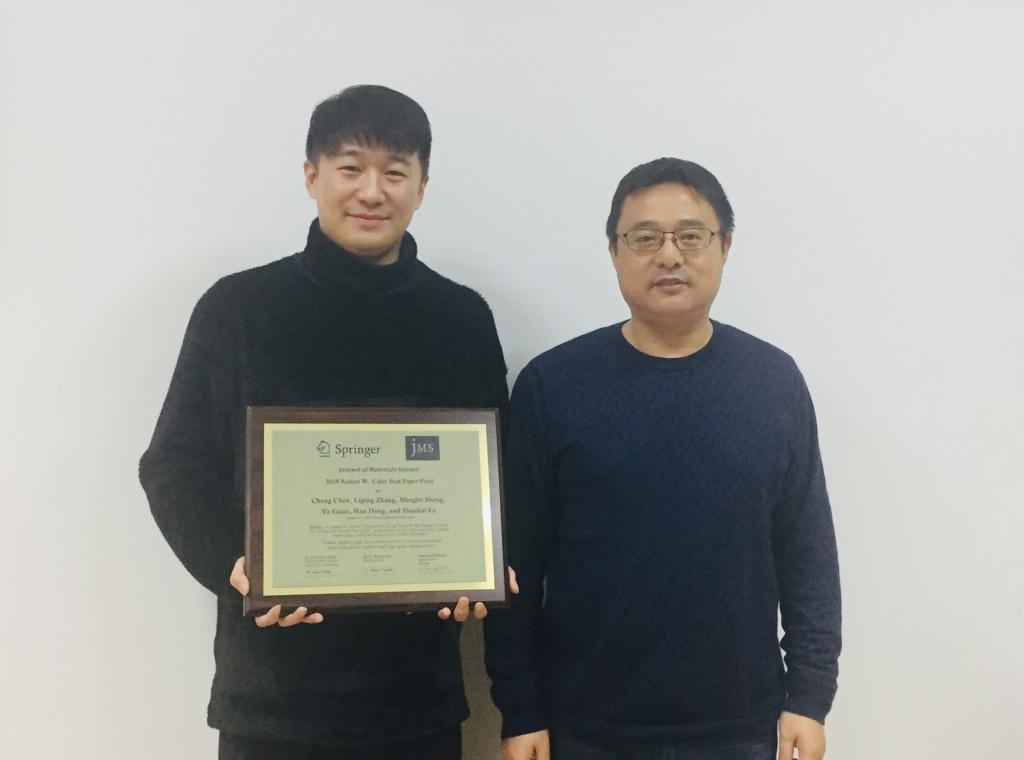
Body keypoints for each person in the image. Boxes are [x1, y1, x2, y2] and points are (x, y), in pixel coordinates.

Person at [140, 84, 509, 760]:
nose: (371, 191)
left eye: (394, 171)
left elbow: (496, 471)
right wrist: (235, 567)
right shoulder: (238, 309)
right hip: (273, 700)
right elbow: (173, 464)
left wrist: (483, 561)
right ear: (311, 176)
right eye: (350, 167)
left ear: (421, 187)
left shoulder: (460, 319)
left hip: (415, 696)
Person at [485, 158, 841, 760]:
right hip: (584, 727)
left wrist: (809, 694)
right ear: (614, 252)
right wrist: (520, 709)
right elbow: (517, 562)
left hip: (741, 728)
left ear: (725, 246)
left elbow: (807, 551)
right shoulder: (553, 386)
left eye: (691, 236)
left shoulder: (774, 382)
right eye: (644, 238)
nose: (669, 255)